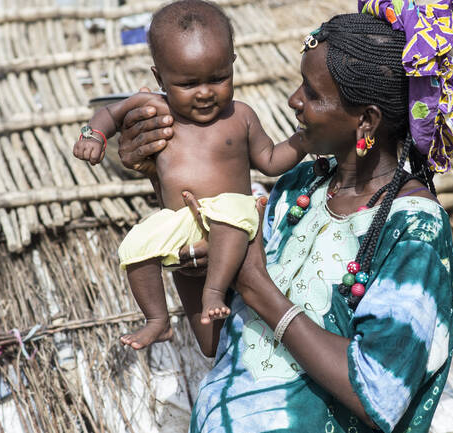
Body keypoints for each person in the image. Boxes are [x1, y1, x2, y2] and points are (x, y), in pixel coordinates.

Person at [112, 1, 453, 431]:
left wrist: (259, 289)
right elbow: (212, 340)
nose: (294, 101)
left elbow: (379, 395)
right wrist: (180, 221)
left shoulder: (413, 228)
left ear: (365, 120)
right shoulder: (296, 192)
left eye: (311, 92)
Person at [72, 0, 306, 348]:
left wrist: (304, 140)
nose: (205, 93)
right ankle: (157, 319)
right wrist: (94, 135)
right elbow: (109, 112)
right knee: (137, 248)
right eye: (187, 83)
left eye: (218, 78)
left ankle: (215, 291)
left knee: (229, 216)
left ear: (233, 65)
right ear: (159, 78)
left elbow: (270, 160)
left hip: (232, 217)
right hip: (181, 223)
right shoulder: (152, 107)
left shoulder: (240, 116)